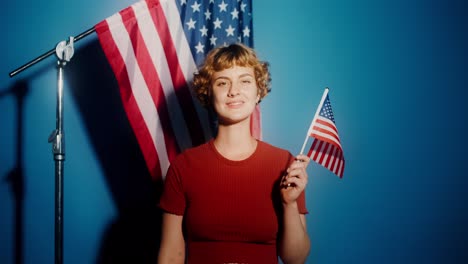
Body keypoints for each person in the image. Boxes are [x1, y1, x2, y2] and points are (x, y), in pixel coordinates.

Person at [157, 43, 310, 264]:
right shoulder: (183, 166)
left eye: (245, 81)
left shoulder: (286, 164)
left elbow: (295, 259)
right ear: (208, 93)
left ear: (259, 91)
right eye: (222, 82)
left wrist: (290, 204)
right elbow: (171, 257)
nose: (234, 91)